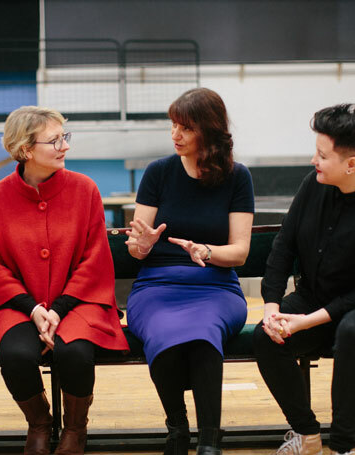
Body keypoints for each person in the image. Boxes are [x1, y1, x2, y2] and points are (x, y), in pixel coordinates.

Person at [253, 104, 355, 455]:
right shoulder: (313, 185)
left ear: (352, 164)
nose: (313, 160)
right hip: (315, 297)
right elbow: (283, 246)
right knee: (265, 337)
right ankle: (307, 435)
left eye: (322, 155)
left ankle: (343, 446)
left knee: (352, 332)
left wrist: (307, 321)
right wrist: (272, 307)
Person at [0, 106, 129, 455]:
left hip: (79, 302)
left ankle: (75, 430)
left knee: (75, 351)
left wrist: (58, 309)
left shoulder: (85, 189)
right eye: (55, 140)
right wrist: (32, 310)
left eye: (65, 138)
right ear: (26, 150)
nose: (65, 146)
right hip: (17, 306)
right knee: (15, 355)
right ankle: (40, 424)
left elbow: (95, 259)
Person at [125, 87, 255, 455]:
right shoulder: (158, 173)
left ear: (208, 130)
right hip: (157, 284)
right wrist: (144, 245)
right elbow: (136, 247)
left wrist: (207, 251)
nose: (175, 135)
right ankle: (177, 427)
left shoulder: (237, 176)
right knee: (161, 331)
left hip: (215, 286)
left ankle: (210, 440)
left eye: (185, 128)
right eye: (173, 126)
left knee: (202, 335)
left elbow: (241, 252)